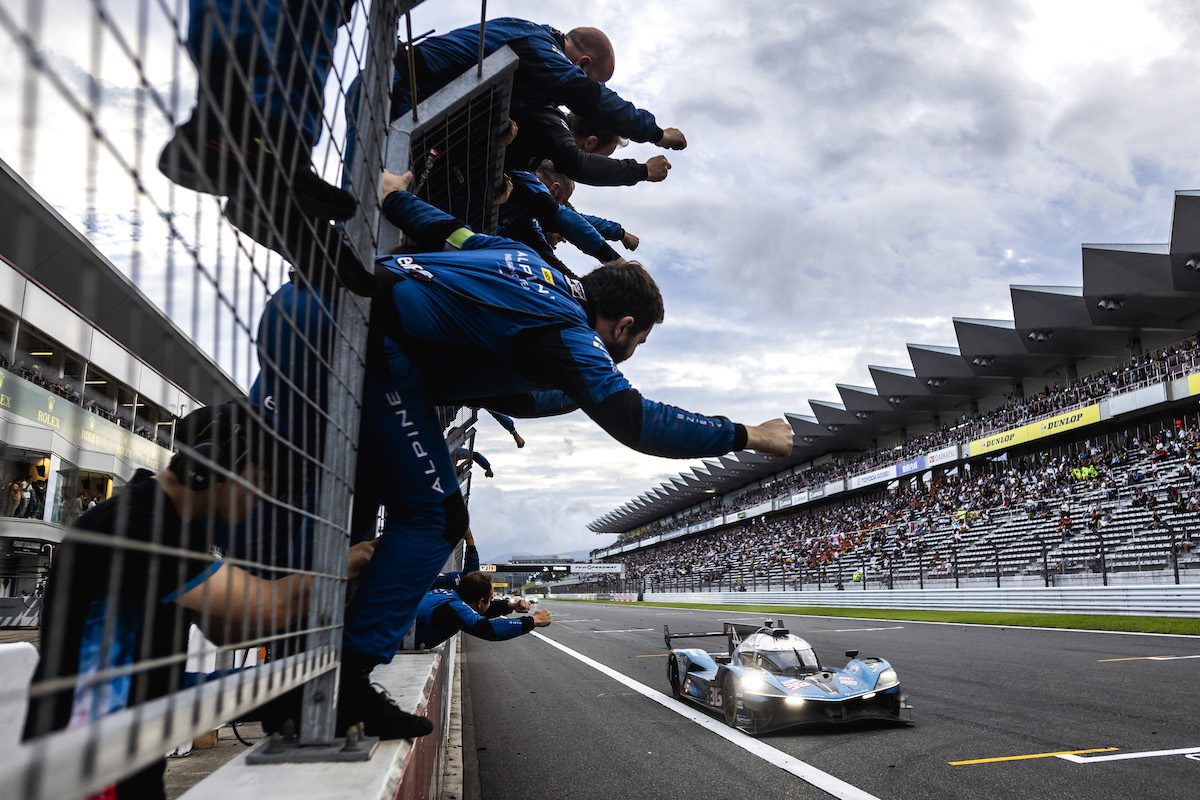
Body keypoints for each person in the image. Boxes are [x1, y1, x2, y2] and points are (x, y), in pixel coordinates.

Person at [318, 172, 792, 732]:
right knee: (434, 516)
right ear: (624, 325)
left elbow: (450, 232)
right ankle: (344, 686)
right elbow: (639, 423)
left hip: (325, 309)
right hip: (365, 342)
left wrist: (394, 194)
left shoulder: (525, 260)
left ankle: (302, 681)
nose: (629, 352)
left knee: (350, 499)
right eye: (636, 344)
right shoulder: (571, 331)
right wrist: (747, 434)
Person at [23, 402, 376, 799]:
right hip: (88, 763)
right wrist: (339, 567)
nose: (262, 499)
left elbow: (229, 631)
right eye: (260, 481)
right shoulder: (142, 526)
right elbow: (270, 605)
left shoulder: (173, 527)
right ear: (215, 469)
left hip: (129, 751)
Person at [382, 19, 687, 150]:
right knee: (365, 200)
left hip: (412, 112)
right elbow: (584, 93)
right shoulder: (537, 44)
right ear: (582, 64)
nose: (591, 85)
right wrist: (656, 133)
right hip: (397, 92)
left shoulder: (539, 65)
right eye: (594, 79)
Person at [504, 108, 672, 186]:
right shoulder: (552, 121)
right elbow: (578, 164)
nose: (596, 163)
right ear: (590, 142)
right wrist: (643, 171)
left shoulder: (549, 146)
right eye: (599, 158)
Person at [414, 571, 551, 649]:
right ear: (480, 601)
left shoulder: (448, 595)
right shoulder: (455, 608)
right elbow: (488, 629)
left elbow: (479, 612)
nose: (491, 602)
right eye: (490, 599)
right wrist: (534, 620)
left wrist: (511, 606)